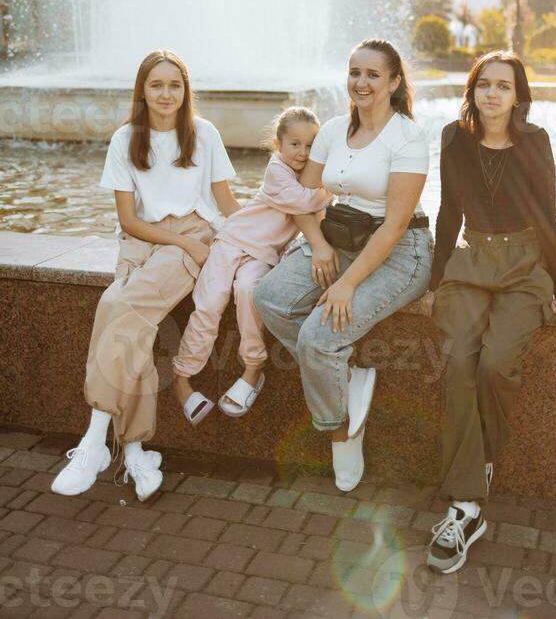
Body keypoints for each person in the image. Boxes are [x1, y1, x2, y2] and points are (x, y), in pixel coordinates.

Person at [51, 49, 240, 502]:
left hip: (192, 235)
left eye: (175, 85)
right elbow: (129, 220)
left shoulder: (204, 133)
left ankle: (96, 441)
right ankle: (134, 451)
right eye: (156, 85)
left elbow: (225, 201)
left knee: (118, 306)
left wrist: (267, 237)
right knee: (126, 320)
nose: (166, 94)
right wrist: (173, 243)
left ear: (185, 90)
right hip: (142, 241)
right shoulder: (125, 139)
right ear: (142, 90)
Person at [254, 38, 433, 492]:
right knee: (270, 298)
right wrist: (316, 244)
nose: (361, 82)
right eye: (355, 72)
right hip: (338, 238)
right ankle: (344, 376)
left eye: (373, 74)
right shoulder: (332, 130)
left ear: (394, 82)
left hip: (399, 254)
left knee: (318, 337)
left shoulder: (408, 137)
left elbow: (392, 227)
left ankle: (343, 431)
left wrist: (346, 284)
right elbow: (302, 195)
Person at [427, 50, 556, 574]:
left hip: (523, 265)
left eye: (504, 86)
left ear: (519, 96)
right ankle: (467, 506)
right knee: (460, 365)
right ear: (472, 91)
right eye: (484, 84)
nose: (492, 94)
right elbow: (448, 210)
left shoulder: (534, 142)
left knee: (495, 363)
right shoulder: (454, 137)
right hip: (471, 262)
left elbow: (548, 215)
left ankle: (479, 465)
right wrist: (434, 279)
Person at [172, 107, 331, 424]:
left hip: (263, 255)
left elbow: (320, 221)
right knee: (210, 301)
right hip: (232, 240)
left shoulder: (312, 179)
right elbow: (303, 203)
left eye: (311, 145)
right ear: (279, 145)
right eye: (295, 144)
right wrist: (330, 190)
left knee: (248, 292)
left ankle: (253, 369)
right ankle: (182, 378)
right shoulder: (278, 171)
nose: (302, 152)